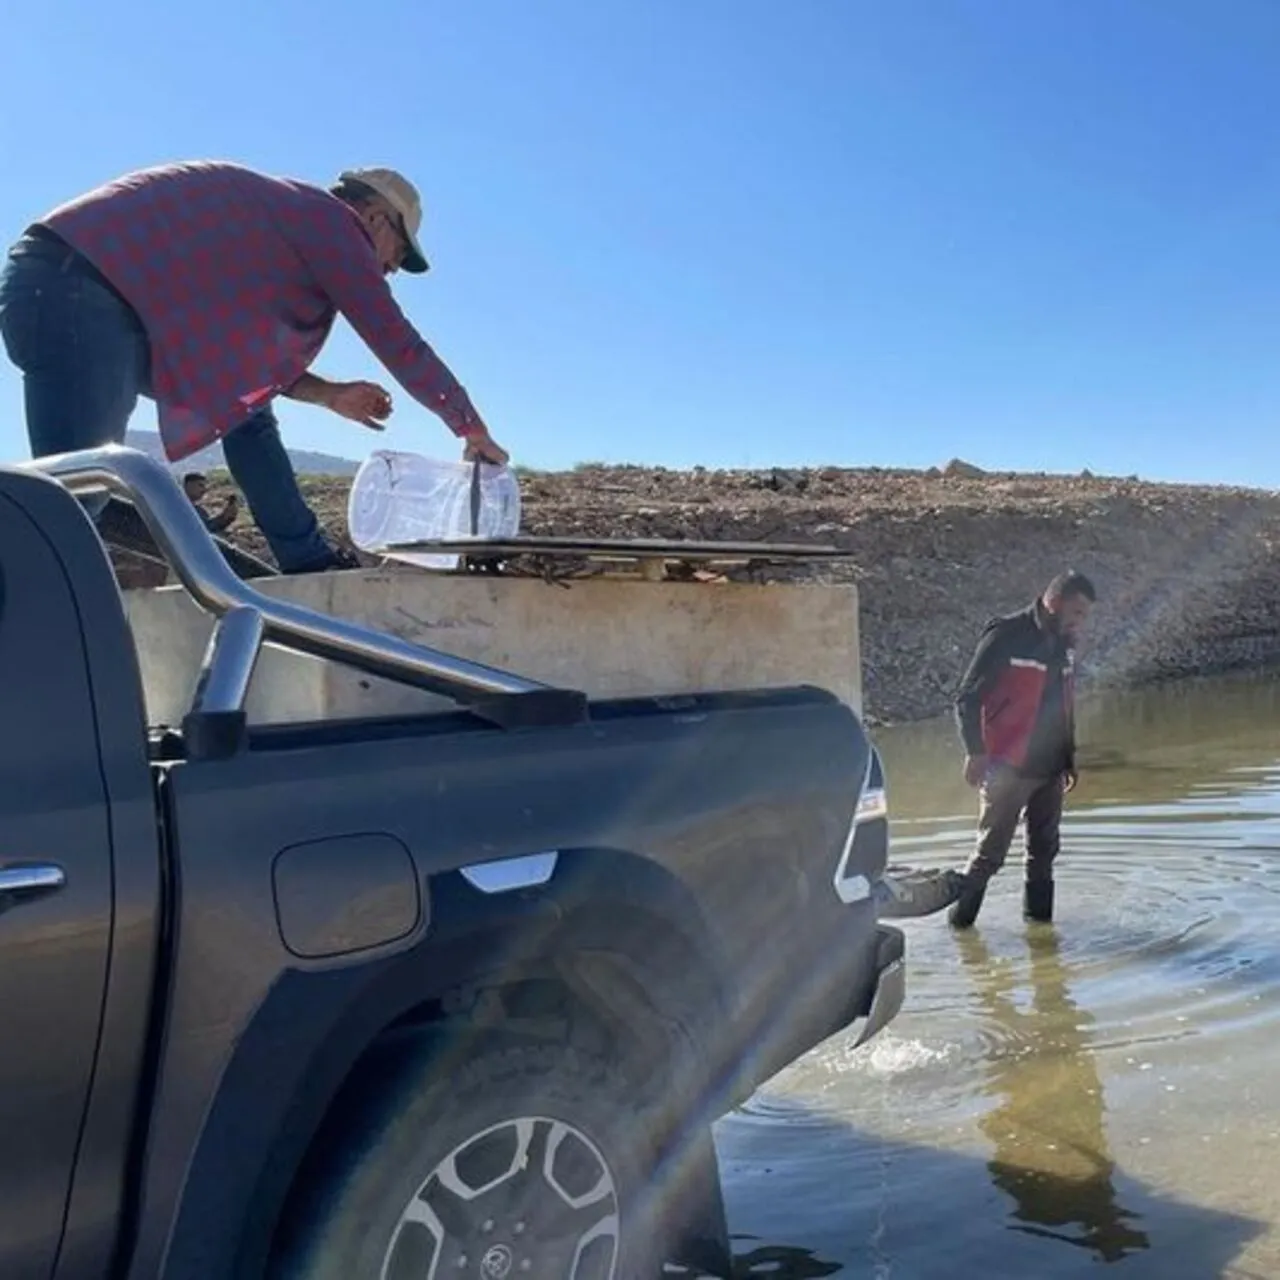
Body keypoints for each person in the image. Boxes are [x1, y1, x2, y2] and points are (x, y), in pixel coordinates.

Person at [0, 161, 508, 574]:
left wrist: (328, 395)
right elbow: (395, 338)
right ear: (375, 217)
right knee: (72, 507)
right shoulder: (334, 224)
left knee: (240, 418)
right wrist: (471, 426)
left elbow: (238, 379)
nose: (391, 270)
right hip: (78, 287)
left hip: (87, 291)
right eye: (398, 253)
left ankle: (304, 560)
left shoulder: (282, 226)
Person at [947, 570, 1097, 928]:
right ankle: (959, 927)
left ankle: (1042, 936)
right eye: (1076, 613)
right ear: (1055, 602)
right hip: (1006, 766)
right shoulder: (1007, 634)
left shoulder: (1065, 644)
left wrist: (1069, 759)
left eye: (1085, 616)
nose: (1080, 623)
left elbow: (1064, 704)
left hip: (1050, 769)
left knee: (1044, 852)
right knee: (989, 856)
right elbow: (967, 697)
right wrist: (975, 751)